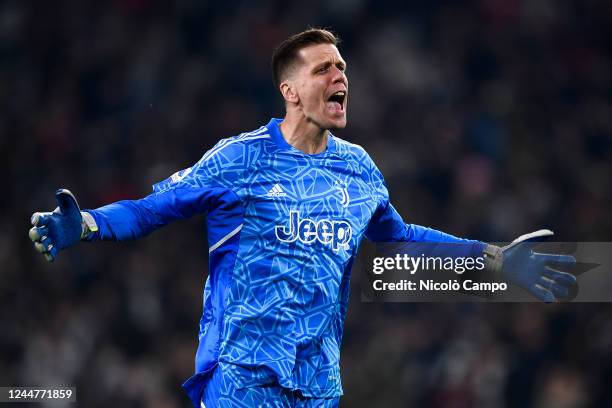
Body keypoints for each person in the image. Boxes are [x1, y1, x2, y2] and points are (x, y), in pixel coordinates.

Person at [28, 28, 576, 407]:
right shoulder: (239, 158)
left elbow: (400, 240)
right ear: (291, 91)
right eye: (324, 68)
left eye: (342, 66)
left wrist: (494, 259)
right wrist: (89, 224)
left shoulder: (358, 169)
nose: (340, 75)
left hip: (318, 384)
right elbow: (150, 210)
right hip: (242, 376)